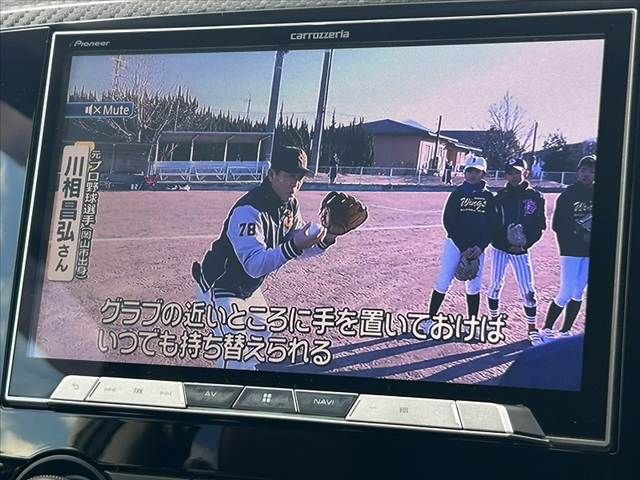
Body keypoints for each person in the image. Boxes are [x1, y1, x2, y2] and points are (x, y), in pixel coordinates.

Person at [193, 146, 336, 370]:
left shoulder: (290, 206)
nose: (295, 184)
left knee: (261, 332)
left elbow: (298, 247)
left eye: (300, 178)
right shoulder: (249, 210)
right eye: (289, 176)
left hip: (247, 286)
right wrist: (294, 245)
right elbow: (254, 265)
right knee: (234, 352)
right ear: (272, 175)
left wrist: (328, 238)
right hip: (220, 285)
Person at [427, 155, 496, 325]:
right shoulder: (457, 194)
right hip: (455, 244)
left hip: (477, 248)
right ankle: (430, 320)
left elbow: (493, 225)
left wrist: (481, 246)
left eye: (476, 171)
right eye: (469, 171)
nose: (472, 175)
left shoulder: (489, 197)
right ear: (465, 173)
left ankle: (471, 323)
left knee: (474, 285)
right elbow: (448, 221)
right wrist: (463, 246)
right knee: (444, 281)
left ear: (483, 174)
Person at [487, 158, 546, 346]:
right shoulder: (499, 197)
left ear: (526, 173)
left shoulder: (536, 197)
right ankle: (494, 322)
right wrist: (504, 243)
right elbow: (492, 224)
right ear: (506, 175)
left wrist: (524, 244)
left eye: (518, 172)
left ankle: (532, 329)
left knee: (528, 289)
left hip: (521, 250)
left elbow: (539, 226)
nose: (514, 176)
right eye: (510, 173)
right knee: (495, 285)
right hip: (500, 248)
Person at [540, 155, 595, 339]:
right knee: (566, 291)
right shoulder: (568, 195)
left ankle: (565, 331)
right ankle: (547, 329)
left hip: (589, 251)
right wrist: (580, 234)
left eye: (592, 171)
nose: (587, 174)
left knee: (579, 292)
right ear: (577, 172)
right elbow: (557, 225)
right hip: (571, 250)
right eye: (584, 170)